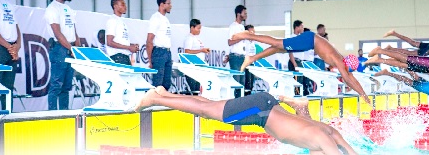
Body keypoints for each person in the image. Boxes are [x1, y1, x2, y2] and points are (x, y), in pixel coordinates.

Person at [134, 87, 359, 155]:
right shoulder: (328, 142)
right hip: (260, 111)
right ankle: (154, 98)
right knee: (206, 110)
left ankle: (165, 95)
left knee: (210, 105)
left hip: (268, 106)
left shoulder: (331, 135)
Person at [231, 31, 371, 104]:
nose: (347, 72)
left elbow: (351, 78)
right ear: (348, 65)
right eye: (348, 70)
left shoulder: (343, 61)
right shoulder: (340, 63)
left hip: (310, 42)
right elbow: (347, 78)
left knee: (279, 49)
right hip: (309, 40)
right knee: (278, 43)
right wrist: (363, 95)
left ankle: (252, 58)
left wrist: (364, 94)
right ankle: (249, 36)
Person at [45, 0, 80, 110]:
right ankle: (52, 116)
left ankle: (65, 114)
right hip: (59, 49)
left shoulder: (69, 9)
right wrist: (71, 48)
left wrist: (77, 48)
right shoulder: (52, 9)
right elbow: (57, 33)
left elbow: (74, 31)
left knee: (66, 86)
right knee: (56, 86)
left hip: (70, 49)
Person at [146, 0, 173, 91]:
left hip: (167, 52)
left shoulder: (165, 19)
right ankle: (155, 103)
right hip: (159, 52)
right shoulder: (155, 18)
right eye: (168, 3)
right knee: (158, 82)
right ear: (162, 4)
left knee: (166, 83)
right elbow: (149, 41)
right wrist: (150, 60)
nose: (171, 6)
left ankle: (163, 103)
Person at [105, 0, 139, 65]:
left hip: (124, 57)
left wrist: (132, 45)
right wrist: (129, 47)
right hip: (117, 57)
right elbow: (109, 42)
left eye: (125, 4)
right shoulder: (112, 21)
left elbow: (120, 41)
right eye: (122, 4)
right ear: (115, 6)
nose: (125, 7)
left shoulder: (121, 21)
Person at [183, 19, 210, 93]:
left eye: (200, 28)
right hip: (192, 68)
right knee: (193, 89)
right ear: (192, 28)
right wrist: (201, 50)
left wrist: (203, 50)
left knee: (197, 89)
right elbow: (187, 51)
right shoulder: (189, 38)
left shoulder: (197, 38)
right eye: (198, 28)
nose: (199, 30)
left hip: (198, 67)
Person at [228, 5, 248, 97]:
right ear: (238, 14)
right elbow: (230, 42)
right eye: (244, 13)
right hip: (235, 57)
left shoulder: (242, 27)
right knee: (236, 81)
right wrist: (241, 38)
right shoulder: (233, 26)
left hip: (242, 57)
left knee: (242, 82)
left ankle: (240, 103)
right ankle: (235, 103)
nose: (246, 15)